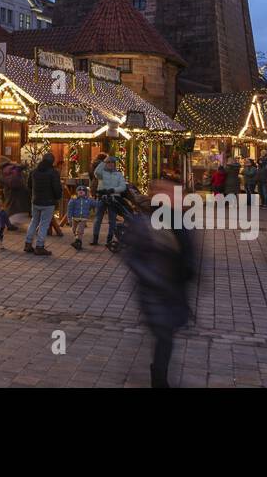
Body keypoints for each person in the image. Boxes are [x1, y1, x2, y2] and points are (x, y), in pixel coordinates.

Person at [119, 177, 196, 389]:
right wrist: (156, 279)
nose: (172, 197)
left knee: (166, 336)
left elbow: (189, 254)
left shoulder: (181, 221)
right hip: (155, 292)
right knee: (165, 336)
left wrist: (189, 272)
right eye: (167, 192)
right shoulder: (144, 222)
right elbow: (132, 257)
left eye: (174, 193)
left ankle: (159, 374)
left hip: (174, 291)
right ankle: (159, 379)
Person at [24, 152, 61, 256]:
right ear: (52, 162)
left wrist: (34, 195)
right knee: (44, 224)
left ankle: (28, 243)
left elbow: (29, 185)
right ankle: (39, 246)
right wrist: (57, 197)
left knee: (34, 221)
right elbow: (57, 188)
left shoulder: (34, 171)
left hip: (36, 201)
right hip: (48, 202)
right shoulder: (54, 172)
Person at [91, 156, 127, 248]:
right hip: (102, 197)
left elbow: (123, 187)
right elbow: (96, 172)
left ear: (115, 164)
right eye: (108, 162)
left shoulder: (118, 174)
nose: (110, 164)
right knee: (98, 219)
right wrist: (104, 161)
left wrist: (113, 190)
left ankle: (109, 240)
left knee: (112, 220)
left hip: (113, 198)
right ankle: (95, 239)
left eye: (112, 162)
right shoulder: (102, 173)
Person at [0, 161, 31, 228]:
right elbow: (15, 182)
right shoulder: (12, 171)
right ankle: (10, 223)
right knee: (15, 209)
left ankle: (9, 223)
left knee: (11, 207)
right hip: (16, 196)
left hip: (12, 195)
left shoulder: (5, 172)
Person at [65, 185, 94, 251]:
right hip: (75, 217)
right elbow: (69, 209)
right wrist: (69, 219)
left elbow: (95, 204)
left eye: (83, 191)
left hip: (83, 218)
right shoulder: (73, 199)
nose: (81, 191)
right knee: (74, 229)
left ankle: (79, 243)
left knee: (80, 231)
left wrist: (98, 201)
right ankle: (77, 241)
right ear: (77, 192)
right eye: (79, 190)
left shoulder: (88, 200)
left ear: (85, 192)